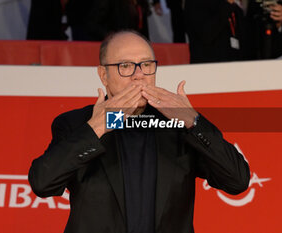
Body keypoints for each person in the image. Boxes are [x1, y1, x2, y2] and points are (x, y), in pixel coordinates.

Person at [28, 30, 250, 233]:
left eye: (146, 64)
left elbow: (237, 181)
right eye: (125, 66)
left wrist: (193, 121)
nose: (138, 75)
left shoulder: (178, 123)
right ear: (103, 75)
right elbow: (43, 183)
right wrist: (98, 127)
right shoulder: (76, 124)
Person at [185, 0, 253, 63]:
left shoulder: (235, 7)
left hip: (235, 67)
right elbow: (206, 34)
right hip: (207, 67)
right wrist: (228, 5)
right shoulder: (196, 2)